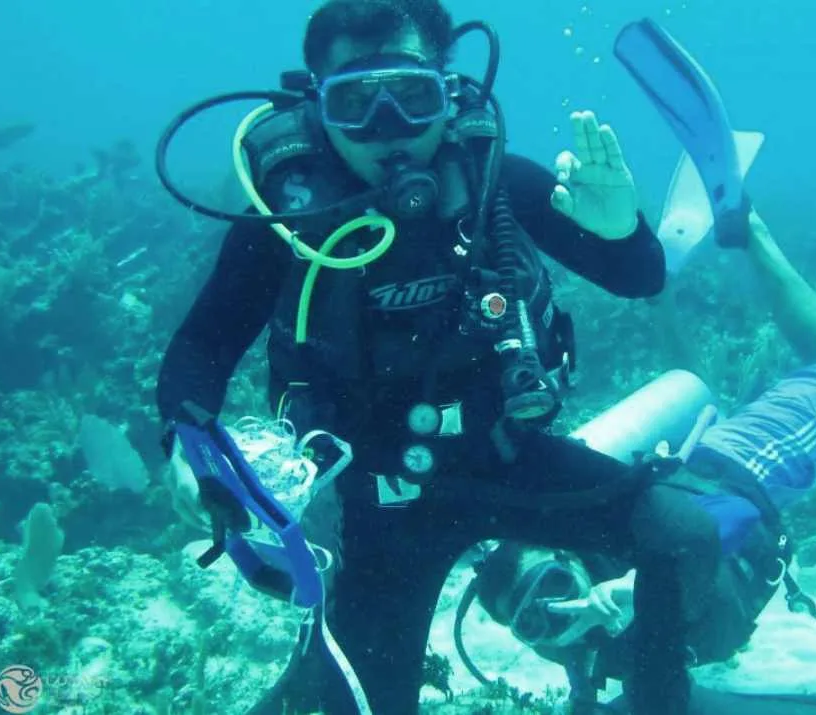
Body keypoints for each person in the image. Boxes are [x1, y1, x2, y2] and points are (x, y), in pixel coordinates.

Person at [154, 2, 734, 714]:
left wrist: (622, 229)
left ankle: (649, 696)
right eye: (357, 103)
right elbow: (202, 344)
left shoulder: (492, 181)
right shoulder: (288, 215)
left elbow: (639, 276)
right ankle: (323, 668)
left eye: (413, 95)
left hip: (506, 458)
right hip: (377, 500)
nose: (390, 129)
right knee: (361, 701)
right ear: (316, 103)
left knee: (680, 534)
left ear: (449, 89)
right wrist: (187, 441)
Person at [465, 209, 816, 714]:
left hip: (742, 468)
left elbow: (731, 517)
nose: (560, 613)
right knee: (701, 395)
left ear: (569, 555)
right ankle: (663, 299)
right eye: (532, 622)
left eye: (555, 585)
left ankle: (750, 231)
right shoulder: (559, 642)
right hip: (689, 473)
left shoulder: (609, 538)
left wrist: (645, 585)